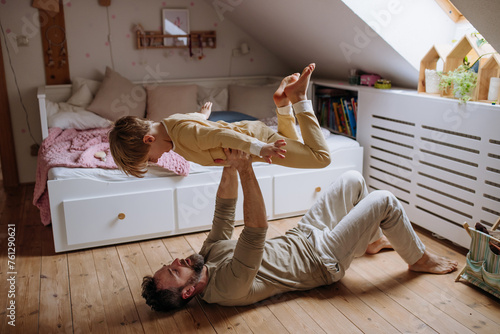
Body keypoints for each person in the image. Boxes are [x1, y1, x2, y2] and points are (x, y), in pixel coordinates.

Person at [141, 148, 458, 311]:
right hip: (322, 260)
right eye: (175, 270)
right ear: (187, 291)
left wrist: (228, 164)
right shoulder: (226, 288)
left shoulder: (204, 260)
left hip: (302, 236)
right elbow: (256, 229)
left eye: (172, 263)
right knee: (384, 200)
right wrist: (245, 167)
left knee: (352, 179)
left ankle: (372, 241)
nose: (178, 260)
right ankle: (418, 259)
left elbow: (223, 212)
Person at [109, 63, 331, 178]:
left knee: (321, 158)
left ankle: (299, 98)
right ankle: (283, 104)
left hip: (256, 140)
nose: (156, 162)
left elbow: (221, 135)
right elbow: (193, 120)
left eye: (149, 159)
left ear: (148, 139)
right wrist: (203, 116)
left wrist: (260, 148)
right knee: (290, 142)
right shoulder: (170, 125)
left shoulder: (183, 135)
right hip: (256, 135)